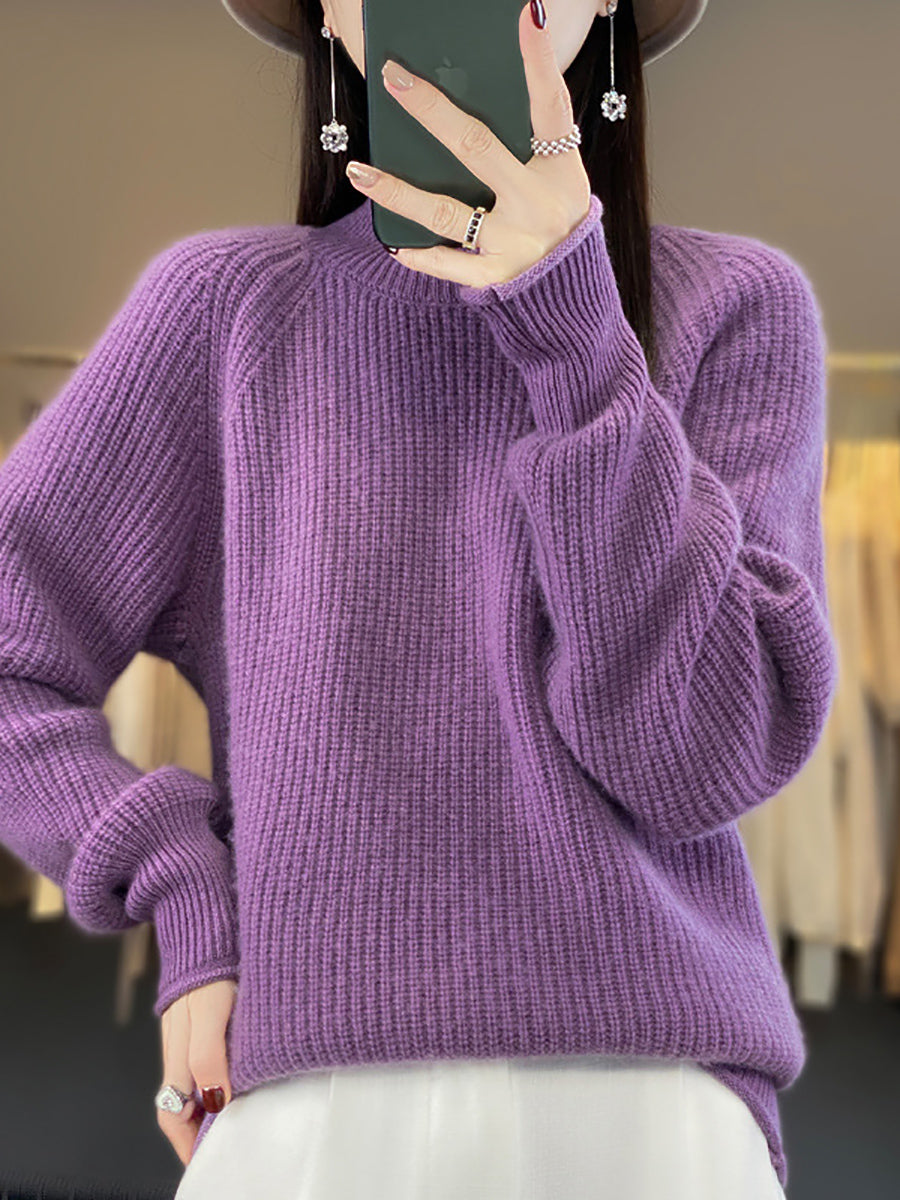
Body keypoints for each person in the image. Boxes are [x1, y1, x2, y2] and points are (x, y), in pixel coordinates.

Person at [0, 0, 837, 1196]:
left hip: (651, 1116)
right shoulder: (223, 312)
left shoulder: (736, 308)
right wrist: (180, 886)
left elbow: (700, 760)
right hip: (306, 1115)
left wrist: (576, 334)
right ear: (327, 15)